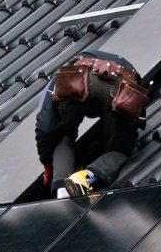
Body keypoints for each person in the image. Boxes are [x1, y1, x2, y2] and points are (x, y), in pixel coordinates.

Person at [35, 50, 150, 198]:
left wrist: (48, 161)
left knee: (63, 136)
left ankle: (62, 190)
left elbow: (45, 125)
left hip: (79, 79)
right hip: (123, 85)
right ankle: (85, 177)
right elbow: (137, 108)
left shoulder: (58, 80)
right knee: (119, 149)